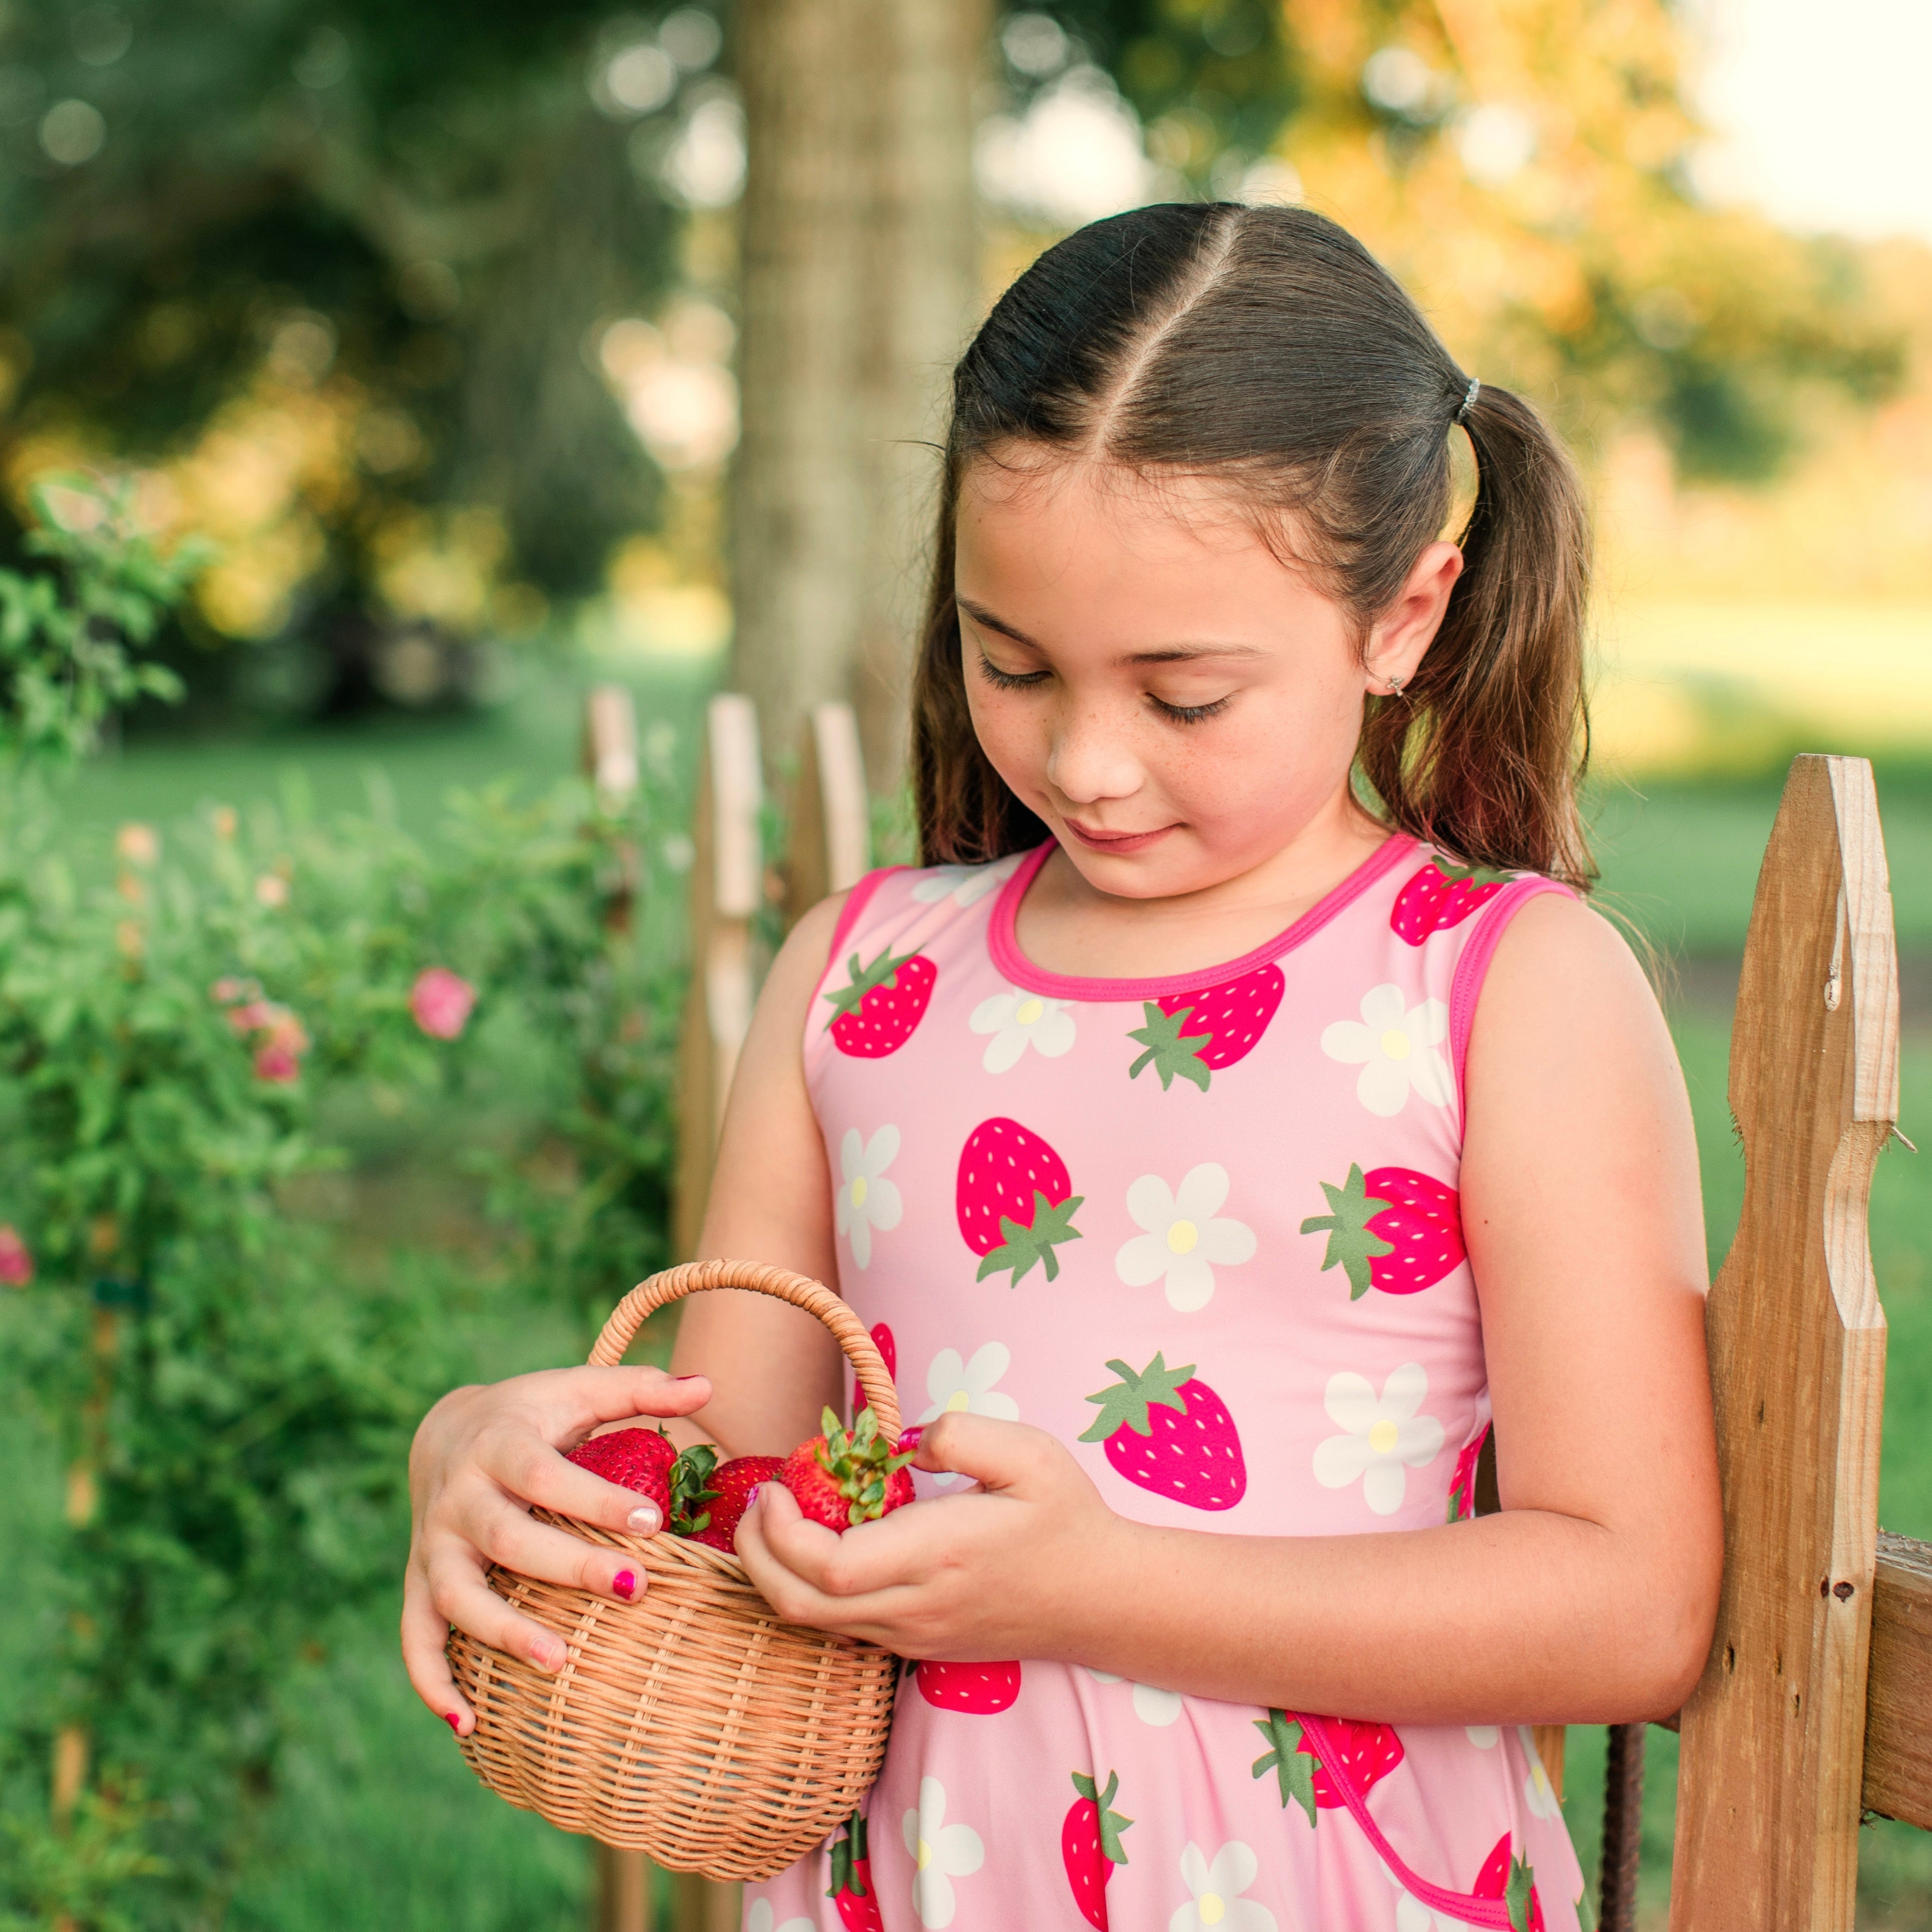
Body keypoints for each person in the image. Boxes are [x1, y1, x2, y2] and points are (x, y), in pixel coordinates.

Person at [403, 203, 1721, 1930]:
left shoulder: (1500, 990)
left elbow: (1629, 1607)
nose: (1086, 762)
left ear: (1404, 616)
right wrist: (483, 1456)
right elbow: (735, 1500)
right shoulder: (860, 980)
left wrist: (1099, 1588)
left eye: (1183, 697)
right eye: (1009, 662)